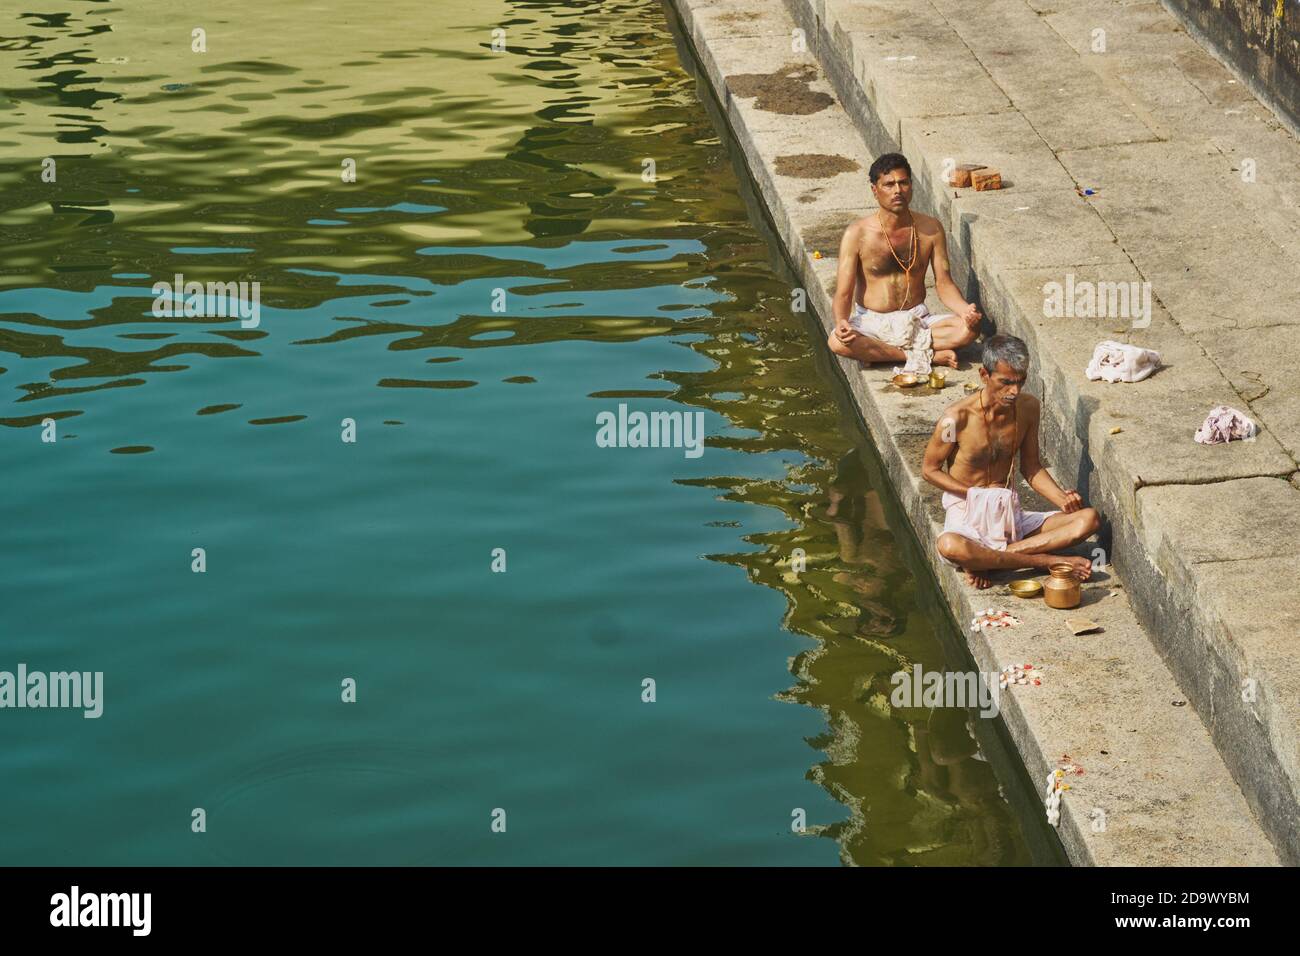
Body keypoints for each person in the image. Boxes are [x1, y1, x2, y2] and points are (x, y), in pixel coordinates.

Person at [921, 334, 1101, 589]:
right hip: (968, 513)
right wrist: (974, 494)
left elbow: (1032, 467)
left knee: (1088, 520)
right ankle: (1044, 561)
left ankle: (990, 560)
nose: (1014, 391)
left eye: (1020, 382)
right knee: (949, 545)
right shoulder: (955, 419)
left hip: (1009, 513)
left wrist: (1062, 500)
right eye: (1005, 382)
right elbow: (929, 470)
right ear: (984, 375)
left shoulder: (1029, 409)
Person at [826, 152, 981, 372]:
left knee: (969, 331)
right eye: (889, 185)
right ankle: (925, 355)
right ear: (874, 190)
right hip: (872, 322)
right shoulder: (857, 233)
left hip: (917, 319)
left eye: (903, 183)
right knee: (837, 342)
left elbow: (944, 284)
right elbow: (843, 292)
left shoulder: (931, 229)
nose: (897, 190)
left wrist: (966, 311)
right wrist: (841, 322)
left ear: (911, 185)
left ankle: (883, 354)